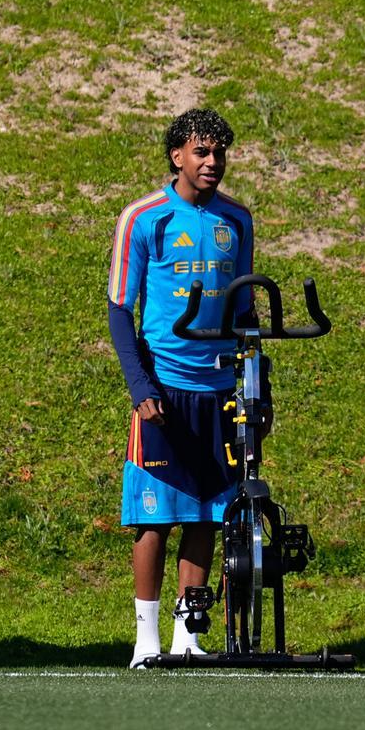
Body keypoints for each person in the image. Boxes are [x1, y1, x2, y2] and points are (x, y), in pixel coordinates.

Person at [107, 108, 259, 668]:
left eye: (219, 152)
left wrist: (254, 388)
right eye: (201, 152)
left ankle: (186, 634)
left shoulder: (237, 220)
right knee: (154, 518)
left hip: (218, 390)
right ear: (177, 156)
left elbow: (245, 312)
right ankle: (146, 639)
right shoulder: (143, 218)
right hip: (164, 390)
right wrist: (139, 386)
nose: (212, 162)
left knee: (206, 515)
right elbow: (121, 310)